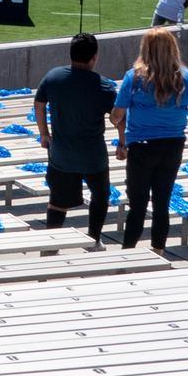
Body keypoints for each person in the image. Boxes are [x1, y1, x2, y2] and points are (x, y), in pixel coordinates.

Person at [111, 28, 188, 252]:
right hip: (173, 144)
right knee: (162, 202)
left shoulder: (133, 77)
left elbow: (118, 114)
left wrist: (117, 127)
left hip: (142, 145)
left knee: (138, 204)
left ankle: (128, 251)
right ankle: (158, 250)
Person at [31, 33, 114, 242]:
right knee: (101, 196)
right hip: (93, 157)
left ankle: (50, 246)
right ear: (94, 57)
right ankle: (94, 240)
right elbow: (118, 118)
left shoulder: (53, 77)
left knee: (58, 201)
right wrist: (122, 142)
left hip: (62, 155)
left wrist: (44, 133)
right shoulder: (104, 86)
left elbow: (39, 104)